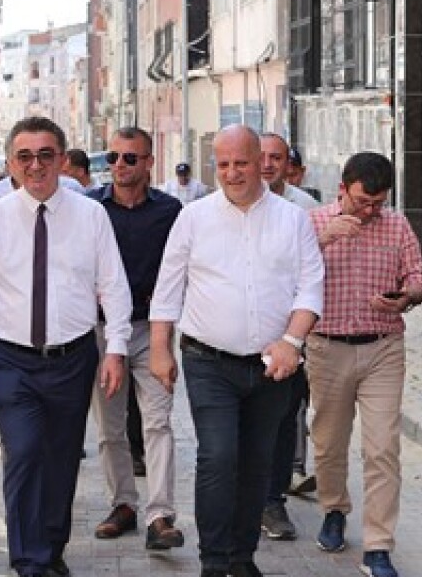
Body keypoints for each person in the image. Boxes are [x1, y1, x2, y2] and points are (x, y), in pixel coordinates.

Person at [0, 116, 133, 577]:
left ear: (61, 159)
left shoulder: (90, 215)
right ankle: (29, 561)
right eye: (24, 157)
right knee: (24, 453)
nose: (35, 165)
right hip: (11, 361)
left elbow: (113, 285)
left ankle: (51, 548)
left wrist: (116, 349)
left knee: (61, 458)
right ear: (11, 163)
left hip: (73, 358)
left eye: (45, 155)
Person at [150, 125, 324, 577]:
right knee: (218, 456)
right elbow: (167, 289)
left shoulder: (293, 219)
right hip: (208, 361)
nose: (231, 173)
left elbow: (311, 288)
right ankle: (213, 561)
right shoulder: (193, 218)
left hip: (272, 367)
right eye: (223, 164)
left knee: (256, 463)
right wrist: (160, 349)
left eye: (241, 163)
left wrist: (291, 342)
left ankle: (242, 558)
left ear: (261, 162)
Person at [307, 152, 422, 577]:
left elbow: (419, 277)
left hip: (383, 347)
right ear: (343, 189)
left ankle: (378, 545)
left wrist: (407, 297)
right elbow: (284, 273)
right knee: (329, 441)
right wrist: (322, 241)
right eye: (362, 201)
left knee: (382, 448)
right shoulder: (313, 223)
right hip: (327, 346)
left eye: (378, 202)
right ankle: (333, 509)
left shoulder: (397, 225)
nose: (371, 210)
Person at [85, 128, 186, 551]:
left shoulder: (170, 211)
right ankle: (123, 504)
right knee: (110, 428)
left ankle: (160, 515)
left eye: (130, 158)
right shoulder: (90, 208)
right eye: (113, 157)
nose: (120, 165)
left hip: (150, 330)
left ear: (149, 162)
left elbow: (181, 267)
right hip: (101, 330)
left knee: (158, 422)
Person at [256, 133, 321, 543]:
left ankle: (272, 499)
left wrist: (298, 337)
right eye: (260, 156)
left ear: (289, 165)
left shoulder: (305, 210)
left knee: (283, 420)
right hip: (236, 339)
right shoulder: (219, 209)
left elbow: (314, 275)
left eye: (276, 158)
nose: (267, 165)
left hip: (289, 337)